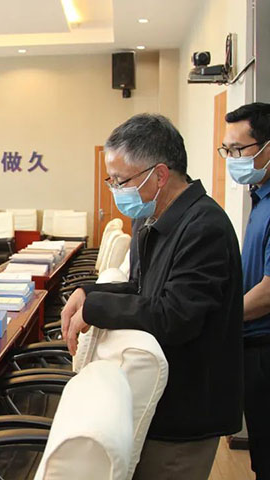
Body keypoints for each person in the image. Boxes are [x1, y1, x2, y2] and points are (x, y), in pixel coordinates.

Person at [61, 114, 243, 480]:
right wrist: (88, 292)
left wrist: (96, 308)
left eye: (122, 180)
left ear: (159, 175)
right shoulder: (151, 218)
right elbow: (141, 288)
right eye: (111, 180)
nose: (116, 189)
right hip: (159, 403)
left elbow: (174, 316)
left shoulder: (204, 226)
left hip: (187, 410)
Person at [222, 102, 270, 479]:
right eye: (227, 150)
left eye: (239, 149)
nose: (232, 159)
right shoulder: (260, 197)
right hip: (252, 344)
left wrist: (221, 318)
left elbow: (269, 293)